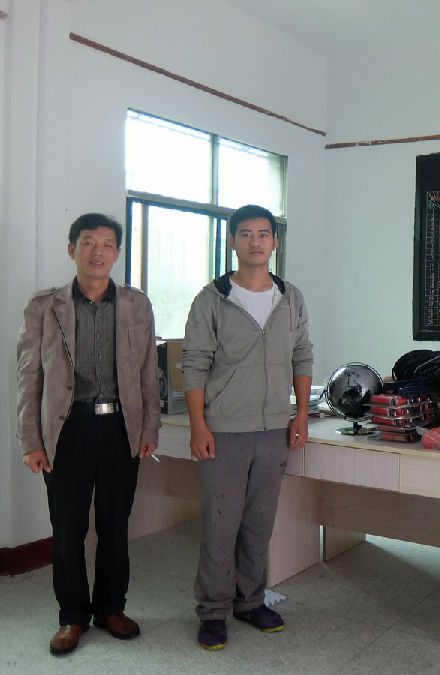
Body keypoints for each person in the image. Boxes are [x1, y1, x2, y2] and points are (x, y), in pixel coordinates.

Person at [17, 213, 160, 656]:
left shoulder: (136, 305)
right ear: (72, 249)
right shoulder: (45, 306)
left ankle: (111, 608)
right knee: (68, 528)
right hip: (67, 428)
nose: (98, 252)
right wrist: (31, 441)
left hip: (120, 427)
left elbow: (148, 372)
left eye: (107, 244)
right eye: (88, 243)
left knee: (115, 525)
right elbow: (29, 377)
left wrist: (149, 427)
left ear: (117, 253)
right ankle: (72, 615)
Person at [182, 204, 313, 651]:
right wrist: (198, 426)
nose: (255, 242)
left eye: (263, 234)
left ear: (274, 242)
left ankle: (250, 601)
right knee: (221, 524)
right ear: (232, 242)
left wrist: (300, 414)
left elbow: (302, 355)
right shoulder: (213, 298)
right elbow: (194, 364)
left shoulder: (291, 297)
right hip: (225, 430)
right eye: (245, 234)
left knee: (259, 522)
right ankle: (212, 611)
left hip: (274, 428)